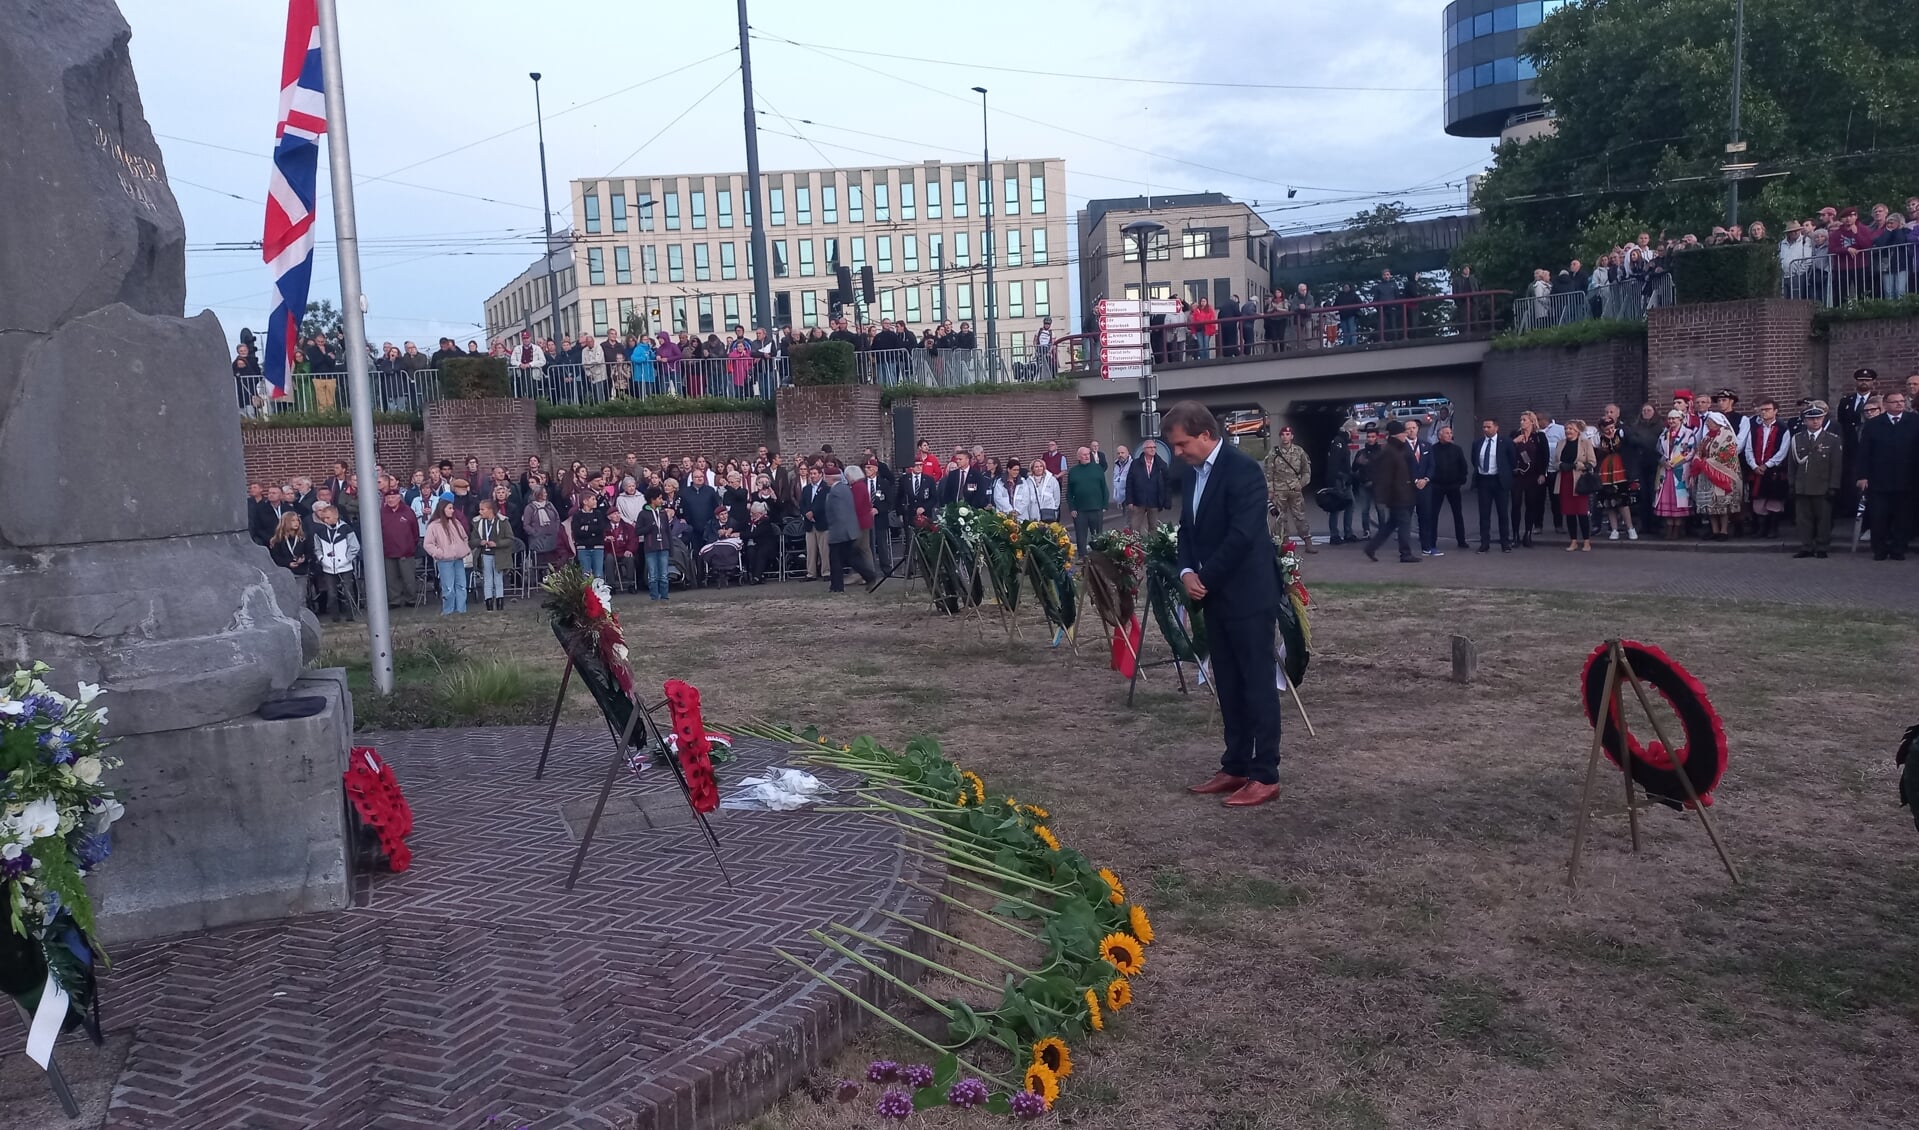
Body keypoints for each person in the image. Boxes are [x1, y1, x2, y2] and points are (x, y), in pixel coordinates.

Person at [1163, 402, 1282, 809]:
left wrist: (1205, 577)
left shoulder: (1243, 470)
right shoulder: (1195, 475)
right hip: (1213, 596)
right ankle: (1235, 765)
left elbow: (1243, 535)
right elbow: (1187, 531)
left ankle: (1265, 774)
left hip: (1247, 595)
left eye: (1180, 444)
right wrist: (1185, 573)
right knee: (1228, 683)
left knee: (1256, 684)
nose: (1176, 453)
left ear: (1204, 435)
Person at [1855, 390, 1916, 560]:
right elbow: (1864, 453)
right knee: (1879, 517)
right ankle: (1879, 549)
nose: (1899, 404)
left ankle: (1898, 549)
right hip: (1879, 480)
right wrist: (1862, 476)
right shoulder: (1874, 424)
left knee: (1903, 517)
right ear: (1886, 405)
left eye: (1902, 401)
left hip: (1907, 479)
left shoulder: (1914, 422)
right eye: (1895, 401)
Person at [1789, 402, 1843, 558]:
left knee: (1823, 519)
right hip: (1802, 485)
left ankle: (1822, 546)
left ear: (1823, 419)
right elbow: (1791, 464)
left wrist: (1834, 486)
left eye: (1819, 418)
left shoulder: (1832, 440)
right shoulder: (1797, 438)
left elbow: (1836, 465)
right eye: (1811, 419)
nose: (1815, 421)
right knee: (1804, 519)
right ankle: (1806, 546)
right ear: (1805, 421)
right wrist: (1792, 484)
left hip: (1823, 485)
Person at [1363, 420, 1418, 563]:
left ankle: (1371, 547)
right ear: (1396, 435)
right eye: (1403, 433)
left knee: (1390, 525)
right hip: (1397, 496)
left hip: (1400, 494)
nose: (1405, 435)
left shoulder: (1398, 449)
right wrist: (1382, 497)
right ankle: (1405, 553)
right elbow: (1385, 478)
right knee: (1405, 524)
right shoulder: (1390, 452)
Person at [824, 465, 879, 593]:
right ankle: (838, 585)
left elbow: (839, 512)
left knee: (839, 559)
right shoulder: (845, 489)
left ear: (831, 478)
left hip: (840, 531)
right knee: (849, 558)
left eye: (826, 477)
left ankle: (838, 586)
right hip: (846, 530)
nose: (825, 480)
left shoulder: (837, 491)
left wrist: (835, 528)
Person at [1690, 412, 1743, 541]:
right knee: (1710, 505)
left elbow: (1728, 454)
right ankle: (1714, 530)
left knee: (1722, 504)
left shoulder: (1727, 435)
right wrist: (1697, 459)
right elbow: (1699, 450)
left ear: (1716, 422)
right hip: (1706, 475)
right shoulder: (1707, 436)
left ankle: (1724, 531)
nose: (1707, 424)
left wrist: (1705, 462)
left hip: (1722, 474)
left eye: (1709, 421)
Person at [1744, 398, 1791, 538]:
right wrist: (1753, 465)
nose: (1764, 412)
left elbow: (1783, 451)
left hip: (1774, 469)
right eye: (1762, 410)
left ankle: (1773, 528)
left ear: (1775, 411)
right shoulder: (1754, 429)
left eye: (1767, 409)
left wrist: (1767, 465)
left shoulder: (1783, 429)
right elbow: (1748, 449)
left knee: (1774, 500)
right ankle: (1761, 528)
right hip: (1757, 469)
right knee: (1758, 500)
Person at [1261, 427, 1314, 550]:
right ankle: (1285, 543)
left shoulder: (1299, 452)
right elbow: (1269, 473)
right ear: (1280, 437)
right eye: (1283, 434)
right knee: (1280, 518)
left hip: (1295, 490)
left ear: (1292, 436)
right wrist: (1270, 490)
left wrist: (1300, 484)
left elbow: (1306, 471)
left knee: (1300, 516)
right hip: (1279, 491)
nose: (1285, 437)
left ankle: (1307, 541)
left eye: (1287, 434)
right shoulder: (1274, 453)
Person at [1471, 418, 1514, 552]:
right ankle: (1485, 543)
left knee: (1502, 513)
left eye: (1488, 427)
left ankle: (1505, 543)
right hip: (1484, 481)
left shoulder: (1506, 442)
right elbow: (1474, 460)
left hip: (1499, 481)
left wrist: (1505, 475)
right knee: (1484, 514)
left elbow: (1512, 460)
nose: (1485, 429)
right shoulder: (1477, 443)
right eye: (1484, 427)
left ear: (1496, 428)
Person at [1593, 421, 1639, 541]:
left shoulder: (1621, 435)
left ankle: (1630, 528)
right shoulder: (1599, 438)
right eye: (1607, 428)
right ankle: (1614, 529)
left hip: (1620, 470)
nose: (1610, 430)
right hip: (1606, 471)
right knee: (1609, 502)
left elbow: (1629, 445)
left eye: (1612, 427)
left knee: (1623, 501)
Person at [423, 499, 471, 615]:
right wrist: (439, 553)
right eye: (449, 508)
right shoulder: (434, 526)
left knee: (461, 585)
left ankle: (461, 610)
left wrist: (463, 549)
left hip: (458, 559)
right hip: (444, 561)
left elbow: (464, 537)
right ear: (442, 509)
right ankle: (448, 611)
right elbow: (428, 544)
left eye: (452, 508)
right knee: (448, 587)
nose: (452, 510)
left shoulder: (456, 523)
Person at [1556, 419, 1597, 551]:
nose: (1568, 431)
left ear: (1578, 431)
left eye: (1571, 429)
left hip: (1579, 481)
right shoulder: (1561, 443)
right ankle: (1573, 541)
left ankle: (1586, 541)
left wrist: (1580, 466)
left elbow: (1592, 462)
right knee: (1569, 512)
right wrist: (1561, 465)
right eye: (1566, 429)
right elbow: (1555, 461)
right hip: (1564, 479)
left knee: (1582, 512)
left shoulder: (1585, 443)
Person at [1511, 412, 1550, 546]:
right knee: (1516, 504)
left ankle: (1528, 533)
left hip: (1533, 475)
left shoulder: (1539, 437)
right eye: (1521, 420)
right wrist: (1513, 442)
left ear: (1532, 422)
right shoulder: (1515, 435)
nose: (1522, 422)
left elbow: (1545, 456)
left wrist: (1542, 474)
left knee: (1531, 504)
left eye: (1525, 420)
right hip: (1517, 475)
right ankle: (1515, 535)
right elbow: (1505, 451)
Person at [471, 498, 516, 611]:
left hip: (498, 555)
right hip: (485, 555)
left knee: (498, 579)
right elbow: (472, 540)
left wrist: (497, 544)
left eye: (482, 509)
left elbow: (510, 539)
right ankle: (489, 605)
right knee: (487, 580)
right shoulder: (478, 523)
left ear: (490, 510)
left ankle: (500, 604)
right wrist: (479, 542)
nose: (480, 512)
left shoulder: (502, 521)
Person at [377, 489, 419, 607]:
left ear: (399, 498)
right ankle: (394, 600)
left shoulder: (408, 511)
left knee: (408, 578)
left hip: (406, 552)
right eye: (388, 498)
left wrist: (410, 545)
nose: (390, 500)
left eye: (393, 497)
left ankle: (410, 599)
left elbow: (415, 531)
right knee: (391, 579)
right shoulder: (381, 513)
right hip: (388, 551)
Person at [1430, 425, 1469, 550]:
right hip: (1437, 486)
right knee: (1433, 515)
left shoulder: (1457, 449)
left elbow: (1463, 466)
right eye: (1446, 433)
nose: (1449, 435)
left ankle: (1461, 540)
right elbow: (1430, 467)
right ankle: (1431, 541)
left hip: (1453, 486)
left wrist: (1461, 480)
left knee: (1457, 513)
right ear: (1439, 435)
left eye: (1450, 433)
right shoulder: (1433, 450)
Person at [1066, 446, 1110, 553]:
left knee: (1097, 535)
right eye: (1084, 455)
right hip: (1080, 510)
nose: (1087, 456)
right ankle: (1082, 556)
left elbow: (1103, 487)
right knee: (1081, 534)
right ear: (1078, 457)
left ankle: (1098, 556)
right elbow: (1069, 492)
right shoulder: (1073, 471)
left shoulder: (1097, 469)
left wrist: (1105, 505)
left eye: (1088, 454)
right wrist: (1072, 508)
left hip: (1096, 508)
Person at [1404, 425, 1439, 556]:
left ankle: (1427, 547)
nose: (1411, 430)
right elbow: (1402, 467)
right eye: (1408, 428)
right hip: (1408, 487)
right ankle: (1405, 549)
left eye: (1413, 427)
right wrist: (1414, 481)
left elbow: (1432, 465)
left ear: (1418, 429)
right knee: (1405, 518)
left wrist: (1426, 479)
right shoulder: (1401, 447)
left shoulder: (1426, 445)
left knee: (1425, 517)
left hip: (1425, 487)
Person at [1323, 427, 1356, 544]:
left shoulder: (1342, 441)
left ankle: (1348, 533)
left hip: (1344, 479)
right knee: (1335, 507)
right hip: (1339, 480)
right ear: (1349, 430)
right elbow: (1334, 464)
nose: (1356, 432)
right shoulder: (1338, 442)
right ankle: (1335, 535)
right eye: (1355, 430)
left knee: (1350, 504)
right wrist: (1336, 481)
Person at [1125, 443, 1169, 529]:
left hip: (1154, 501)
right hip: (1138, 500)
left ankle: (1152, 542)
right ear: (1144, 449)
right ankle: (1136, 542)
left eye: (1154, 447)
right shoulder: (1135, 463)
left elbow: (1166, 483)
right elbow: (1129, 482)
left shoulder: (1161, 464)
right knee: (1134, 527)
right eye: (1150, 447)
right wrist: (1129, 500)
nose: (1152, 449)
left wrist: (1166, 500)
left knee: (1154, 528)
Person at [801, 464, 833, 580]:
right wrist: (807, 513)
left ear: (820, 474)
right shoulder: (806, 489)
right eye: (811, 474)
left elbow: (825, 504)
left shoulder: (826, 488)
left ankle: (826, 572)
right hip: (809, 524)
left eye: (815, 474)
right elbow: (802, 504)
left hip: (822, 522)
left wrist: (814, 512)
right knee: (810, 550)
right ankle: (811, 573)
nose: (813, 476)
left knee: (824, 550)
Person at [569, 491, 610, 579]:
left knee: (599, 574)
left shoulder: (598, 514)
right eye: (593, 499)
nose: (595, 501)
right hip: (583, 548)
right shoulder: (577, 516)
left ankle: (599, 592)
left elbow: (601, 529)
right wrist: (592, 530)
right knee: (585, 574)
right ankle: (588, 592)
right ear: (585, 502)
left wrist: (586, 528)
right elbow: (577, 532)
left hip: (598, 547)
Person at [267, 511, 310, 581]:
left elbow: (310, 552)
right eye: (293, 520)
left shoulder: (303, 538)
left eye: (297, 520)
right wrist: (288, 563)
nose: (296, 523)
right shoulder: (278, 540)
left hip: (301, 572)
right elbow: (276, 557)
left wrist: (304, 559)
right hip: (284, 573)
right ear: (286, 522)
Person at [1030, 457, 1062, 523]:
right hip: (1034, 515)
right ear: (1032, 469)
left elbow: (1057, 497)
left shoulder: (1052, 480)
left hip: (1048, 514)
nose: (1039, 468)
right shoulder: (1028, 481)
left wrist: (1054, 509)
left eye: (1041, 466)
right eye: (1036, 467)